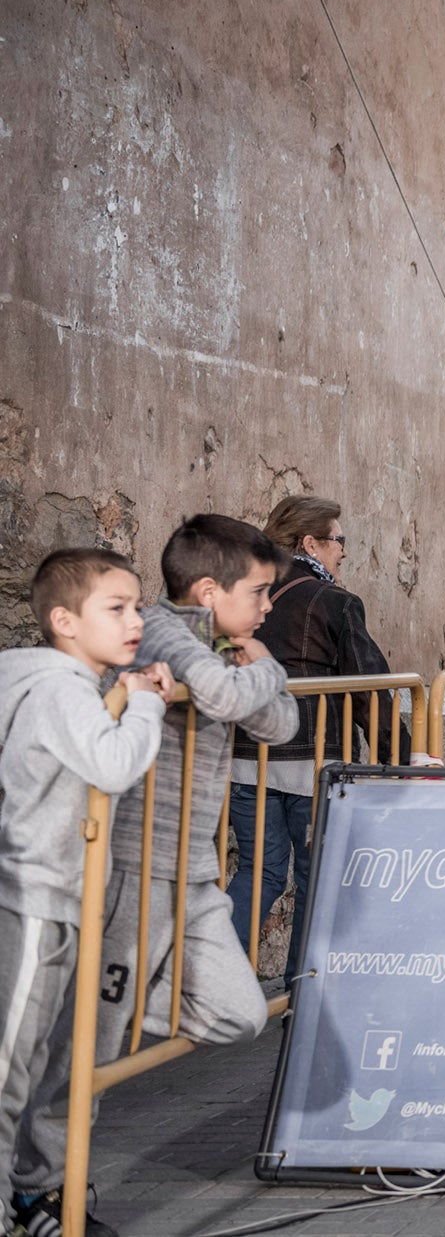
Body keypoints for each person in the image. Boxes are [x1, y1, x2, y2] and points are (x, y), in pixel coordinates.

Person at [20, 518, 298, 1218]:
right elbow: (238, 700)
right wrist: (264, 667)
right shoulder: (165, 630)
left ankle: (128, 989)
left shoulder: (220, 646)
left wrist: (253, 671)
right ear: (209, 590)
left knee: (240, 1015)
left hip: (193, 872)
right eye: (260, 592)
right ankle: (42, 1184)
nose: (268, 608)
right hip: (132, 869)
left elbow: (282, 725)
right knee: (84, 1054)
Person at [0, 550, 171, 1237]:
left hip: (47, 892)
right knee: (13, 1067)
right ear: (64, 620)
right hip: (35, 894)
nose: (135, 621)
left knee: (35, 1060)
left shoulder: (41, 678)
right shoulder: (65, 689)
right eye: (117, 608)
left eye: (137, 606)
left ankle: (30, 1201)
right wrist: (150, 703)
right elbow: (113, 760)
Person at [227, 496, 411, 978]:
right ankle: (303, 988)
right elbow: (372, 693)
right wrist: (403, 761)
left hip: (248, 761)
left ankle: (202, 979)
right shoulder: (336, 603)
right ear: (310, 542)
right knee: (318, 878)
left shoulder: (244, 599)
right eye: (338, 540)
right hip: (314, 767)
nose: (344, 552)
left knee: (258, 872)